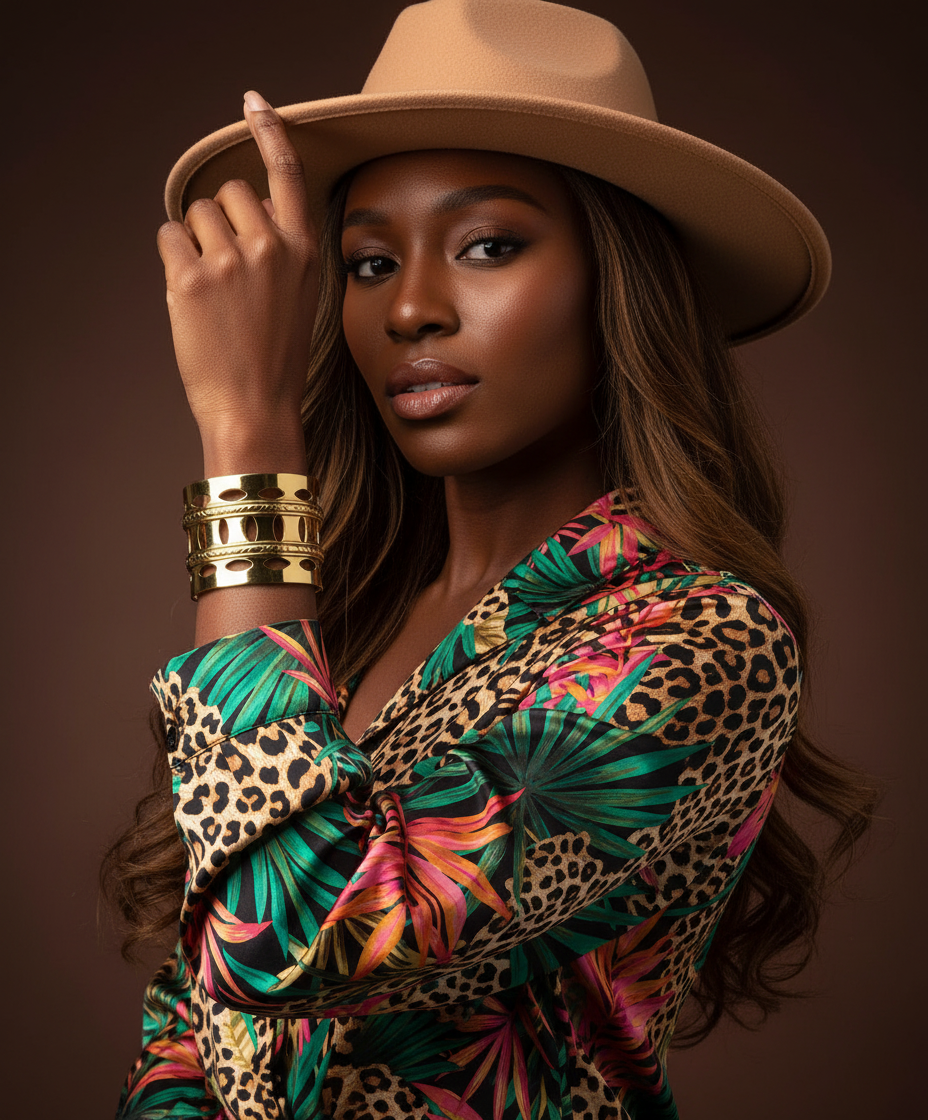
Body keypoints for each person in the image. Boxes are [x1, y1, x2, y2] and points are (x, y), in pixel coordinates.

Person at [104, 2, 876, 1117]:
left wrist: (248, 436)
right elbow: (200, 1005)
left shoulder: (702, 638)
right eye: (367, 262)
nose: (411, 306)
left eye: (488, 247)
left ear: (619, 280)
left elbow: (291, 938)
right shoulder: (350, 616)